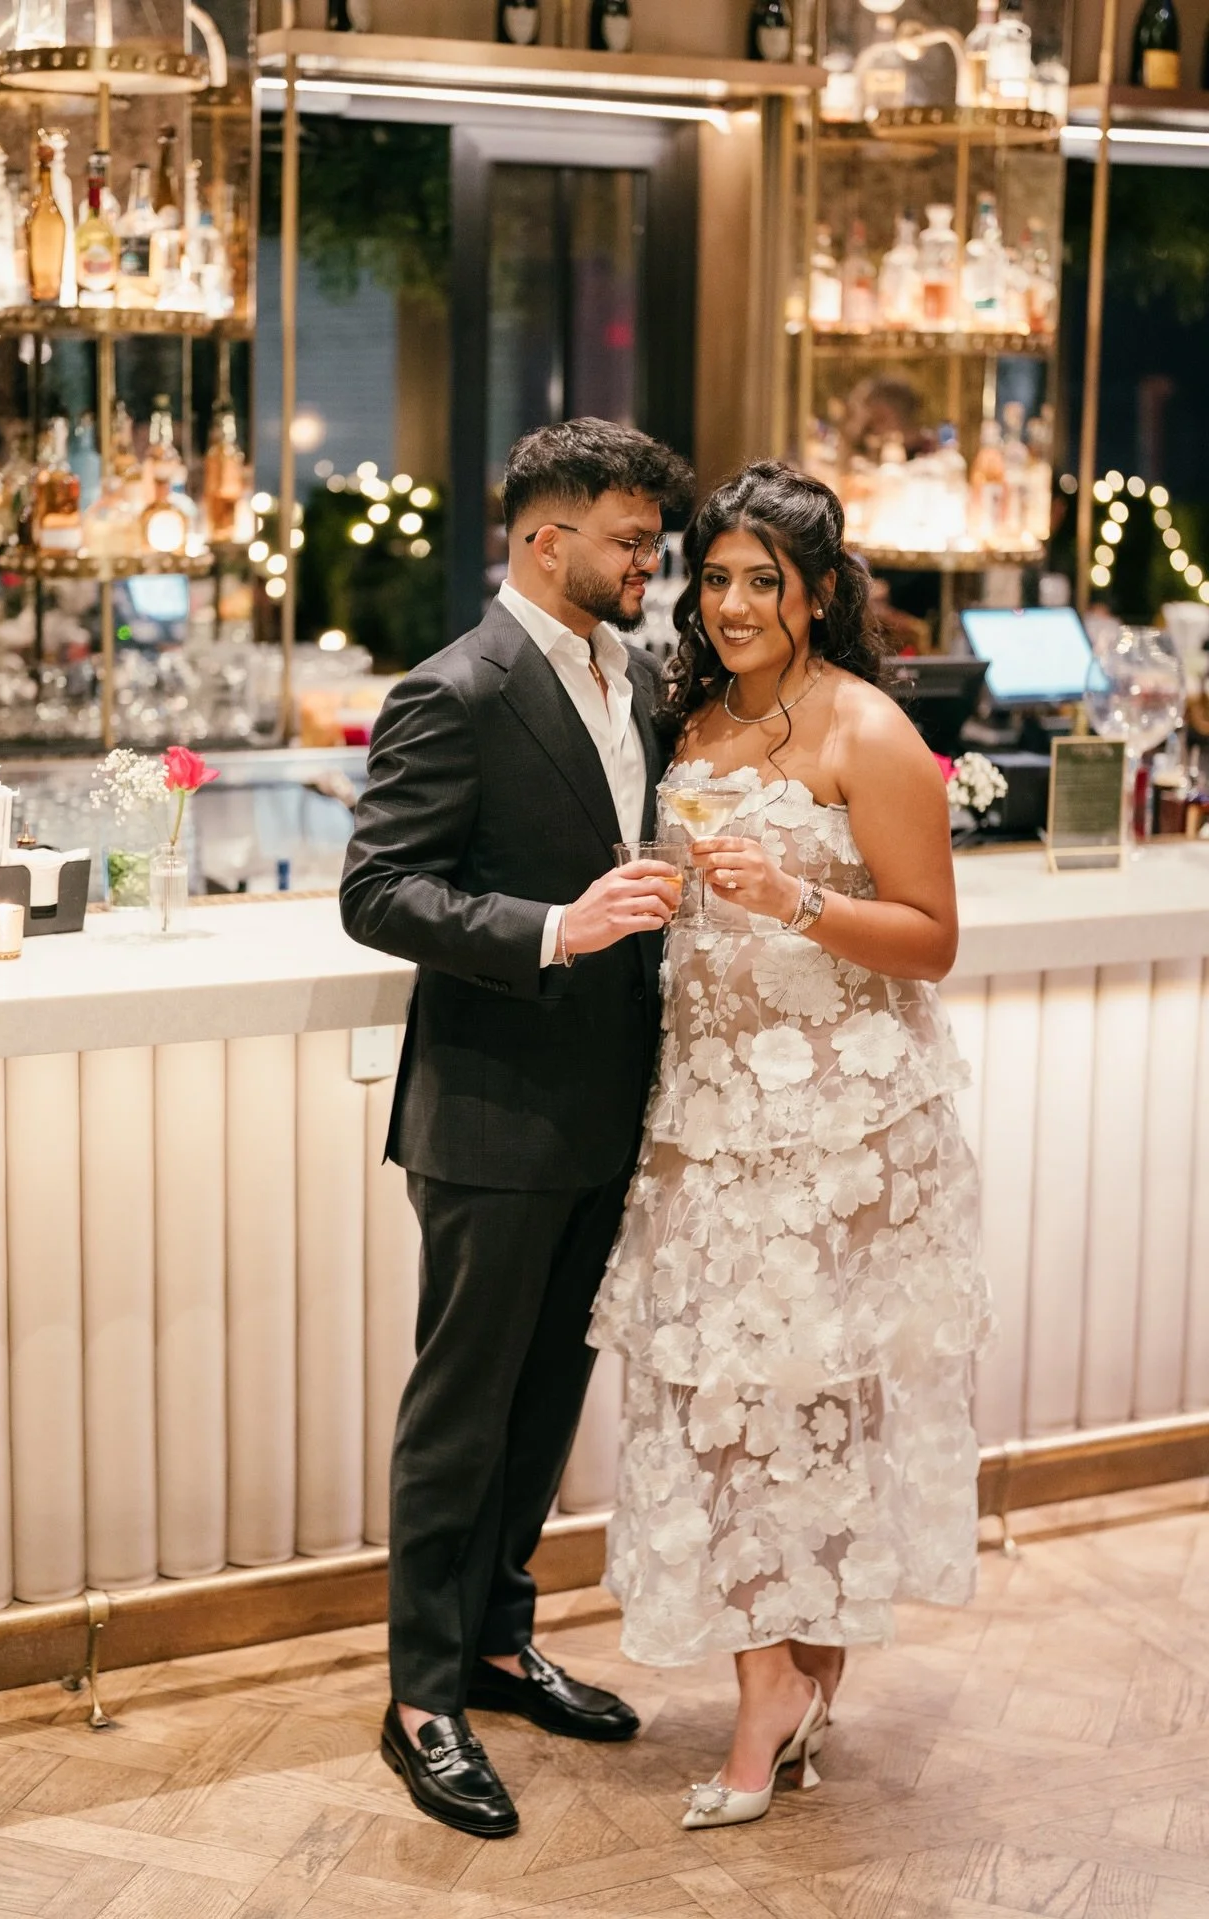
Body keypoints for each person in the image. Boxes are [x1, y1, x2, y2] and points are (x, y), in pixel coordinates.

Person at [588, 460, 993, 1829]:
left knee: (809, 1406)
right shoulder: (687, 720)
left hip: (842, 1129)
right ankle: (792, 1670)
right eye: (716, 577)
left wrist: (800, 898)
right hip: (706, 1122)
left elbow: (931, 936)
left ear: (818, 595)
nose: (737, 601)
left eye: (767, 579)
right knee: (724, 1406)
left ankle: (782, 1690)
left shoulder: (866, 731)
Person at [340, 418, 694, 1839]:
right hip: (489, 1109)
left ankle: (496, 1639)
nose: (649, 567)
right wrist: (554, 926)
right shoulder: (455, 688)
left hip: (614, 1104)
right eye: (629, 542)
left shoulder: (643, 676)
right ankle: (420, 1695)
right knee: (459, 1413)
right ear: (547, 542)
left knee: (544, 1406)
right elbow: (379, 890)